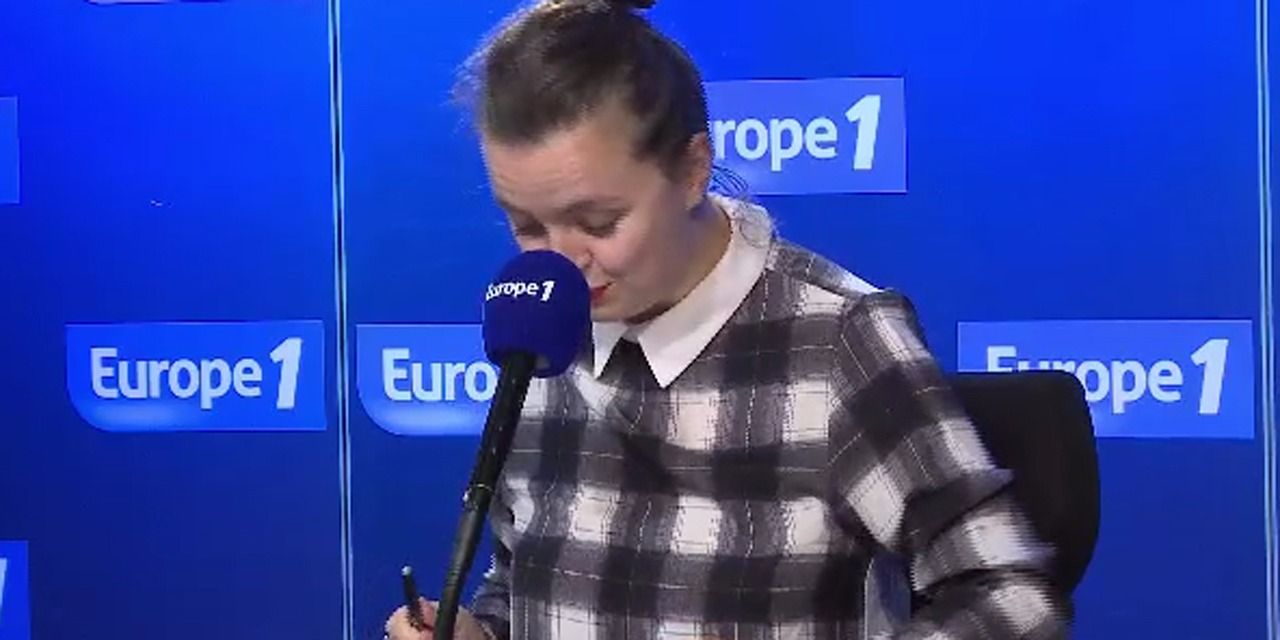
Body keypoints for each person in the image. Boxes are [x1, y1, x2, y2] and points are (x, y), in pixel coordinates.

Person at [387, 0, 1068, 638]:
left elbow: (1007, 594)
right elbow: (528, 577)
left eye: (598, 222)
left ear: (692, 169)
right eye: (528, 227)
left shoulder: (839, 339)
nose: (564, 263)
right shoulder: (535, 328)